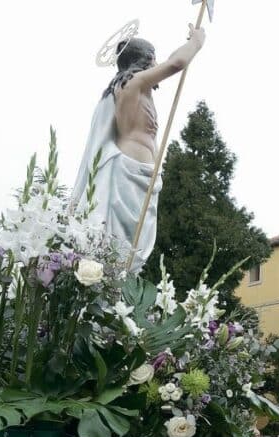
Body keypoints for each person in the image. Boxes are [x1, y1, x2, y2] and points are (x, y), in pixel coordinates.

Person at [71, 27, 205, 271]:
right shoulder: (132, 83)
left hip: (144, 175)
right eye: (153, 57)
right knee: (120, 244)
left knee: (132, 246)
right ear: (143, 59)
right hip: (128, 173)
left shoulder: (140, 88)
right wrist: (196, 42)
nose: (156, 62)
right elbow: (177, 62)